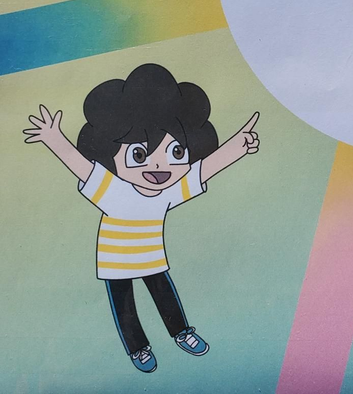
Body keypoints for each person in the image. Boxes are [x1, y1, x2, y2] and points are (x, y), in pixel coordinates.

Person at [23, 64, 260, 373]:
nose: (158, 166)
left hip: (152, 257)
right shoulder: (111, 189)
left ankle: (181, 332)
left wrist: (238, 147)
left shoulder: (168, 192)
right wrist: (54, 138)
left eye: (176, 152)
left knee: (165, 296)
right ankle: (138, 349)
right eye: (139, 155)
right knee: (125, 307)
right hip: (116, 261)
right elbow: (81, 167)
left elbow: (203, 170)